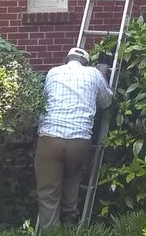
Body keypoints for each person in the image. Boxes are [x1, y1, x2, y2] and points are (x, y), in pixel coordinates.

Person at [34, 46, 113, 231]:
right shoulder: (94, 74)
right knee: (72, 181)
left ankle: (50, 232)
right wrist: (103, 76)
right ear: (87, 62)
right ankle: (70, 228)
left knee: (48, 194)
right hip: (79, 141)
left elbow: (44, 101)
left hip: (50, 139)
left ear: (66, 59)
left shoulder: (53, 72)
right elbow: (107, 102)